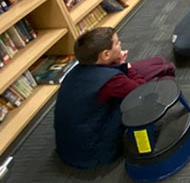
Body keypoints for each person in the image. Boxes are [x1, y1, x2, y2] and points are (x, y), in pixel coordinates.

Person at [54, 27, 175, 169]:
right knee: (159, 83)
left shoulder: (77, 70)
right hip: (95, 149)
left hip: (73, 145)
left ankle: (164, 67)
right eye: (117, 43)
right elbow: (141, 91)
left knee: (156, 64)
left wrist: (120, 65)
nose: (120, 44)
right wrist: (127, 67)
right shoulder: (111, 81)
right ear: (105, 55)